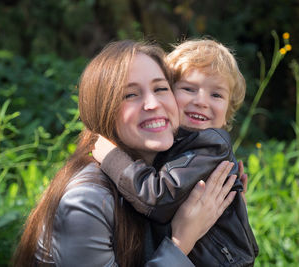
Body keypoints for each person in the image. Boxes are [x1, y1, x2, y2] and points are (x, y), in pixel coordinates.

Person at [12, 40, 237, 267]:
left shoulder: (166, 170)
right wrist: (182, 241)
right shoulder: (87, 200)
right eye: (130, 95)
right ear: (103, 110)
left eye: (160, 88)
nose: (152, 104)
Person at [92, 39, 258, 265]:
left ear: (228, 113)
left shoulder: (211, 145)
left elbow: (158, 197)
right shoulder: (176, 143)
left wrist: (113, 159)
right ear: (168, 94)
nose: (201, 101)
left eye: (216, 95)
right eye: (189, 89)